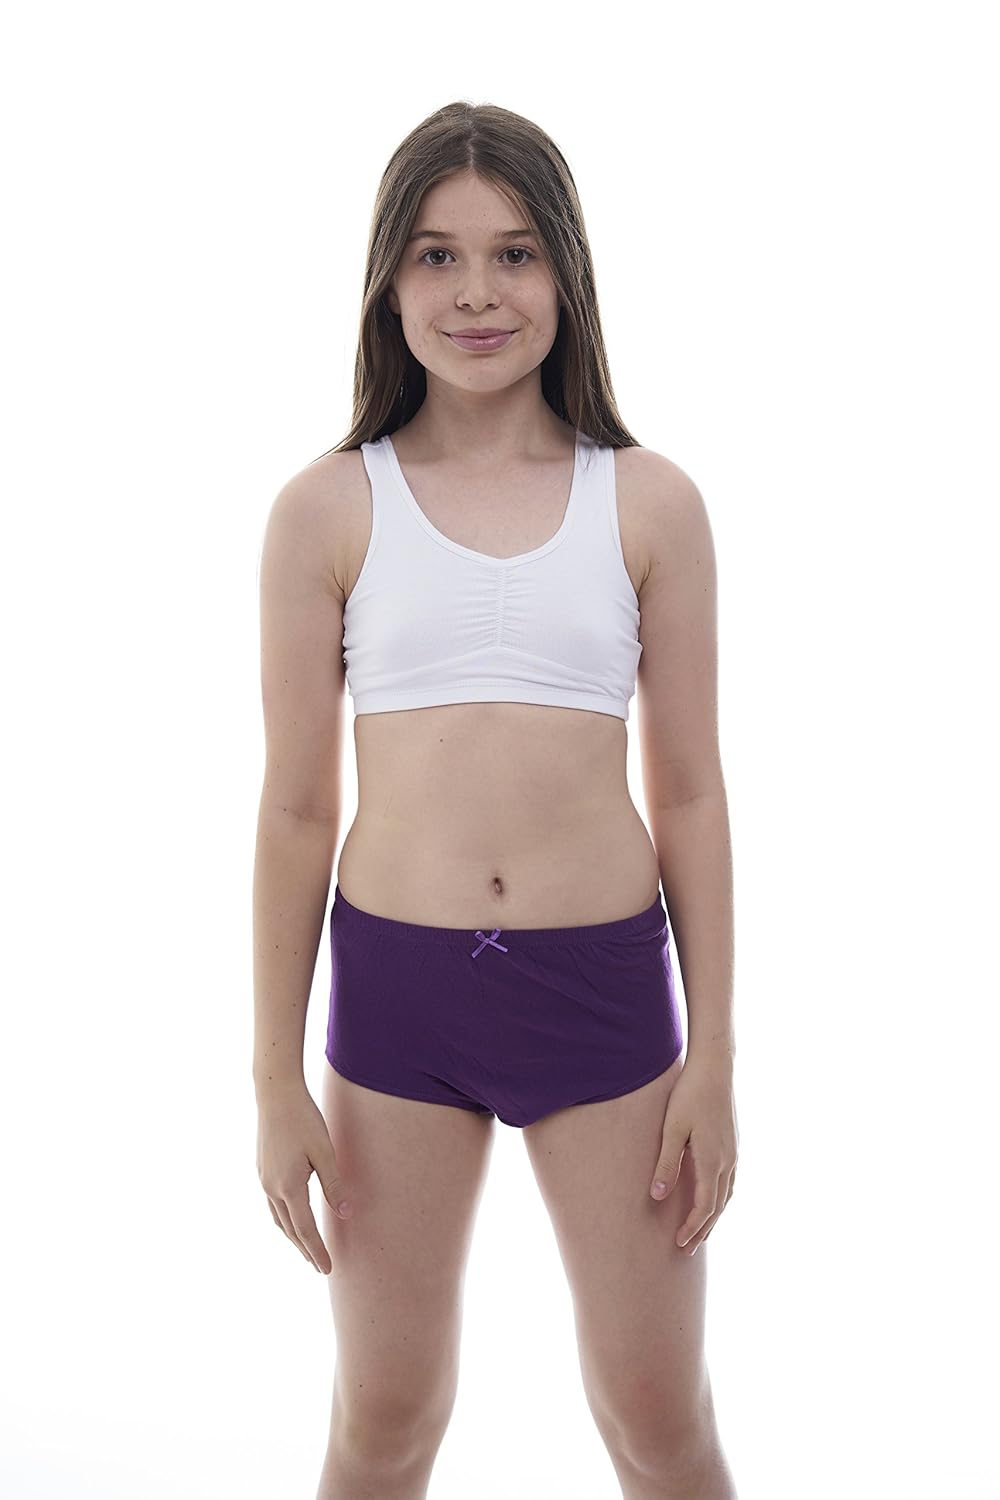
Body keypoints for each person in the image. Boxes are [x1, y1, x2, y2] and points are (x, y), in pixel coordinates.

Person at [253, 101, 739, 1500]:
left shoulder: (648, 503)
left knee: (656, 1414)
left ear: (566, 275)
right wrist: (273, 1074)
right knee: (387, 1415)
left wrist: (714, 1052)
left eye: (515, 254)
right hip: (398, 998)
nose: (477, 292)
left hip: (604, 994)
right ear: (387, 282)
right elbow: (294, 812)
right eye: (437, 255)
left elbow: (692, 793)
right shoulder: (325, 510)